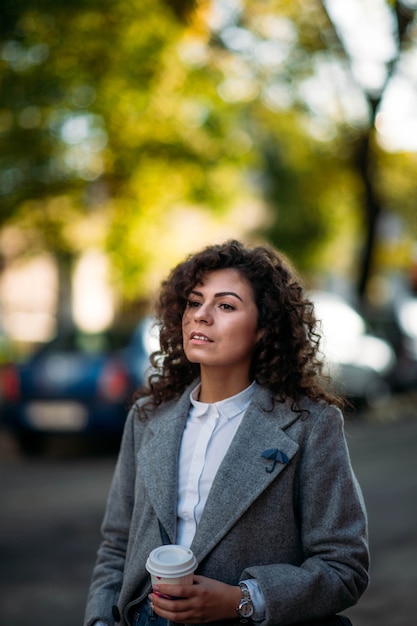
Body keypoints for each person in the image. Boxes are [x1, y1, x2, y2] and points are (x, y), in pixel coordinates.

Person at [84, 239, 369, 626]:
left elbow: (344, 566)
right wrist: (100, 620)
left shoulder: (310, 424)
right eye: (194, 301)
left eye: (226, 305)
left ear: (263, 329)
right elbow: (117, 546)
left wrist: (242, 600)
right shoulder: (147, 417)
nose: (201, 315)